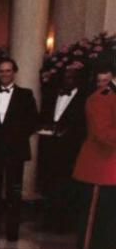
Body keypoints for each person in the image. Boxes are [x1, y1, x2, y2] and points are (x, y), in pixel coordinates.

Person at [0, 57, 39, 241]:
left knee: (14, 191)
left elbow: (32, 122)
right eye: (1, 71)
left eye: (8, 70)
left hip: (15, 150)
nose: (4, 74)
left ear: (14, 72)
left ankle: (13, 231)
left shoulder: (25, 95)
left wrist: (14, 136)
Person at [72, 66, 116, 249]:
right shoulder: (101, 97)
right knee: (94, 222)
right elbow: (103, 133)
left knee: (109, 221)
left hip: (112, 169)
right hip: (100, 169)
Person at [37, 65, 87, 233]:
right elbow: (44, 116)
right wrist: (47, 126)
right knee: (49, 184)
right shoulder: (52, 95)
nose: (68, 79)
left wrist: (67, 131)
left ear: (78, 79)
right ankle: (48, 222)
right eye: (65, 76)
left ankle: (64, 225)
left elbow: (84, 126)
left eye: (71, 77)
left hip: (69, 150)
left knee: (66, 187)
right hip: (50, 147)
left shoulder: (84, 98)